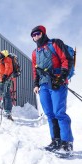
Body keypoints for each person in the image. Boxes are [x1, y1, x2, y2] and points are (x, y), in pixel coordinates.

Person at [31, 25, 74, 155]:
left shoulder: (55, 43)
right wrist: (36, 84)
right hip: (43, 85)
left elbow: (66, 59)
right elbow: (35, 70)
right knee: (49, 114)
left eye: (37, 34)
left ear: (43, 33)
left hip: (57, 82)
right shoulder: (34, 52)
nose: (35, 37)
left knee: (59, 112)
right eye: (33, 35)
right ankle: (55, 140)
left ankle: (66, 143)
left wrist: (62, 77)